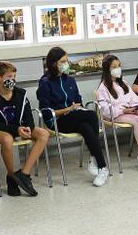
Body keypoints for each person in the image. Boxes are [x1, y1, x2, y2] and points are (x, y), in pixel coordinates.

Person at [37, 47, 110, 187]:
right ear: (53, 64)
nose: (66, 64)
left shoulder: (70, 80)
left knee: (86, 127)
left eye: (67, 61)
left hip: (75, 117)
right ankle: (95, 160)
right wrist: (67, 109)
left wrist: (76, 108)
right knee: (91, 115)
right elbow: (46, 112)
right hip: (57, 120)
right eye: (63, 61)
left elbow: (78, 101)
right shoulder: (45, 82)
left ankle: (102, 167)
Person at [0, 61, 49, 197]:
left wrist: (28, 128)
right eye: (9, 77)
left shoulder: (20, 94)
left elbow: (29, 116)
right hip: (0, 131)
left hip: (20, 127)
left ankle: (24, 174)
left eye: (14, 77)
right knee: (7, 139)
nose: (12, 81)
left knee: (43, 133)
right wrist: (16, 130)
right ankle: (11, 177)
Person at [94, 54, 138, 170]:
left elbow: (134, 98)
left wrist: (136, 107)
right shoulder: (103, 88)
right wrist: (124, 110)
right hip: (116, 114)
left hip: (131, 111)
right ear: (107, 70)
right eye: (114, 67)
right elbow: (105, 110)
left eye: (119, 66)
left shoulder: (123, 83)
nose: (118, 69)